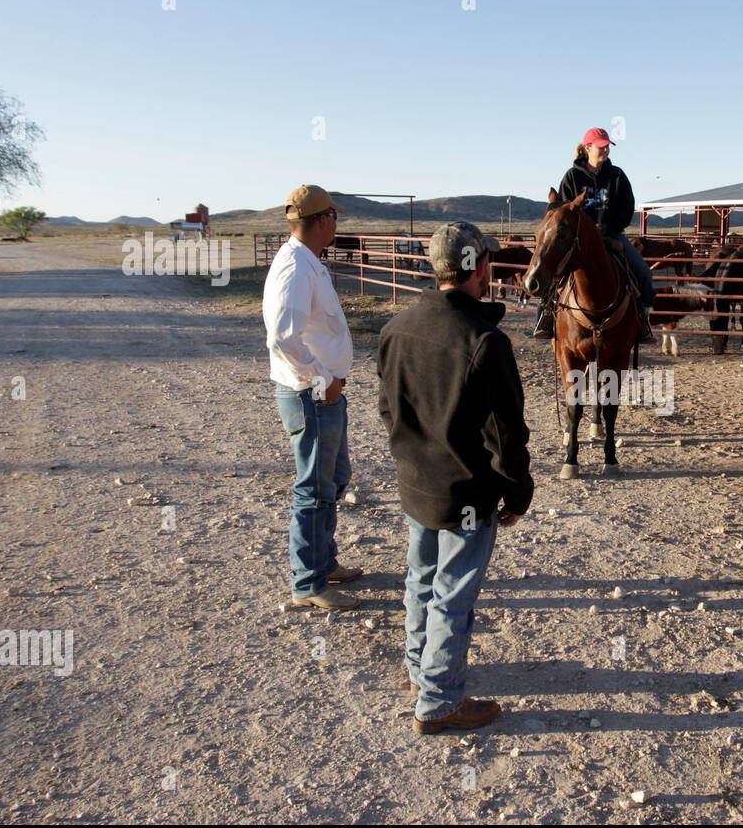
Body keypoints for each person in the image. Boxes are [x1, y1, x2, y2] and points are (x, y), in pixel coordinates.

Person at [377, 221, 534, 735]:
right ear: (480, 266)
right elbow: (505, 434)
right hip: (466, 491)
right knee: (454, 592)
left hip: (416, 483)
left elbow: (388, 410)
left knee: (421, 578)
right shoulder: (486, 342)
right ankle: (440, 700)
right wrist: (517, 488)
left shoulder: (395, 329)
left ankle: (419, 667)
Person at [263, 184, 363, 610]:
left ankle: (323, 563)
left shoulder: (306, 262)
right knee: (314, 488)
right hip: (313, 394)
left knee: (334, 479)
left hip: (321, 392)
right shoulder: (296, 269)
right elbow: (282, 338)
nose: (337, 224)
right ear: (323, 221)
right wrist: (324, 379)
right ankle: (308, 583)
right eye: (334, 217)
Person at [532, 126, 655, 342]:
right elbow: (563, 212)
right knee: (552, 269)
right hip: (578, 240)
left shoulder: (617, 176)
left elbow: (627, 208)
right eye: (601, 146)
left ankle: (642, 322)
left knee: (644, 273)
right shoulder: (572, 177)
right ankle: (545, 318)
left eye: (608, 146)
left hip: (613, 236)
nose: (606, 150)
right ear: (587, 147)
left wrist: (610, 231)